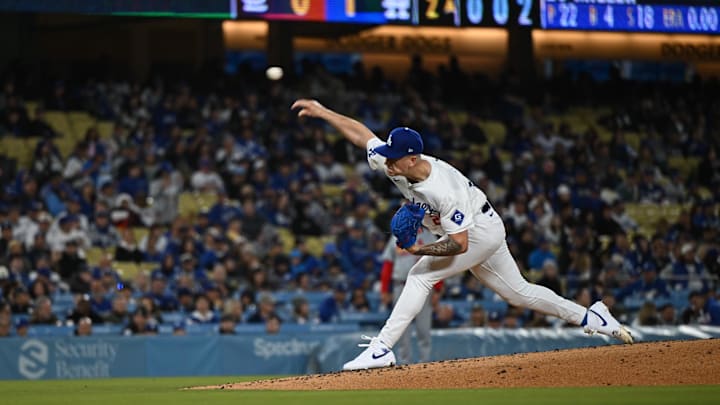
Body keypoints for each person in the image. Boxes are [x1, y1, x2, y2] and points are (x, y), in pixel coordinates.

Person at [291, 99, 633, 371]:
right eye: (388, 157)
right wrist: (322, 112)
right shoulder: (394, 164)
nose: (387, 163)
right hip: (476, 226)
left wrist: (419, 250)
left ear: (412, 159)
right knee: (519, 293)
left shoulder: (443, 189)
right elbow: (361, 134)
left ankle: (381, 349)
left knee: (419, 277)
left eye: (394, 159)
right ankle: (592, 316)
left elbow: (461, 244)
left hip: (478, 231)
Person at [379, 229, 436, 365]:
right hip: (401, 285)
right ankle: (404, 364)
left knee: (424, 327)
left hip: (424, 285)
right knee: (401, 328)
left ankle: (425, 362)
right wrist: (384, 290)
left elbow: (436, 262)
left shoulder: (429, 236)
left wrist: (438, 289)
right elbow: (388, 264)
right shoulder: (396, 236)